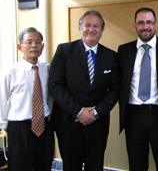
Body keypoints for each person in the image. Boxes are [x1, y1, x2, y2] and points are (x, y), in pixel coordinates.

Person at [49, 10, 120, 171]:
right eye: (87, 25)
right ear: (80, 28)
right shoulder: (64, 51)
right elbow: (56, 85)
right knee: (71, 166)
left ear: (102, 31)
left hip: (97, 124)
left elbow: (115, 90)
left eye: (96, 26)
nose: (91, 29)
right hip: (69, 123)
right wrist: (78, 111)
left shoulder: (111, 56)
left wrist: (95, 113)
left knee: (95, 166)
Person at [118, 7, 158, 171]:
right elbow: (119, 83)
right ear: (134, 25)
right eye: (140, 23)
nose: (145, 26)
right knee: (136, 165)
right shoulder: (124, 50)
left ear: (156, 24)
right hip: (133, 117)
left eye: (149, 22)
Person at [0, 27, 54, 171]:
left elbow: (50, 98)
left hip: (44, 127)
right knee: (19, 167)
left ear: (42, 46)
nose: (33, 46)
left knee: (44, 166)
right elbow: (2, 101)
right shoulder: (9, 73)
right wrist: (5, 127)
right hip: (19, 128)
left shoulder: (48, 70)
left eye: (37, 42)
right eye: (29, 42)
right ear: (20, 47)